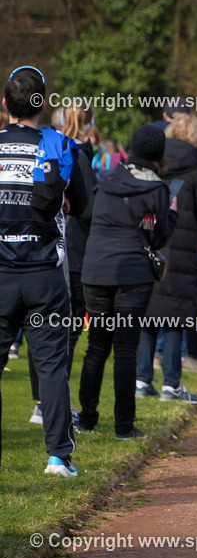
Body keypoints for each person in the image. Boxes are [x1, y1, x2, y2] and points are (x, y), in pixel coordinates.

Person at [0, 66, 85, 475]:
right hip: (46, 274)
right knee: (52, 366)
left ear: (4, 105)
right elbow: (82, 204)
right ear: (43, 104)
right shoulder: (62, 145)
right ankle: (58, 457)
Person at [79, 124, 177, 439]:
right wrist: (171, 215)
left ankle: (88, 419)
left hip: (95, 269)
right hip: (133, 274)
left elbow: (90, 218)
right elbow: (159, 236)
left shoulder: (105, 180)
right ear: (160, 154)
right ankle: (123, 426)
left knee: (96, 345)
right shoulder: (158, 189)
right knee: (125, 348)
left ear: (131, 149)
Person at [136, 113, 197, 405]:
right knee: (174, 317)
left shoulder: (153, 165)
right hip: (183, 246)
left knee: (147, 314)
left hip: (151, 241)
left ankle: (142, 379)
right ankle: (171, 383)